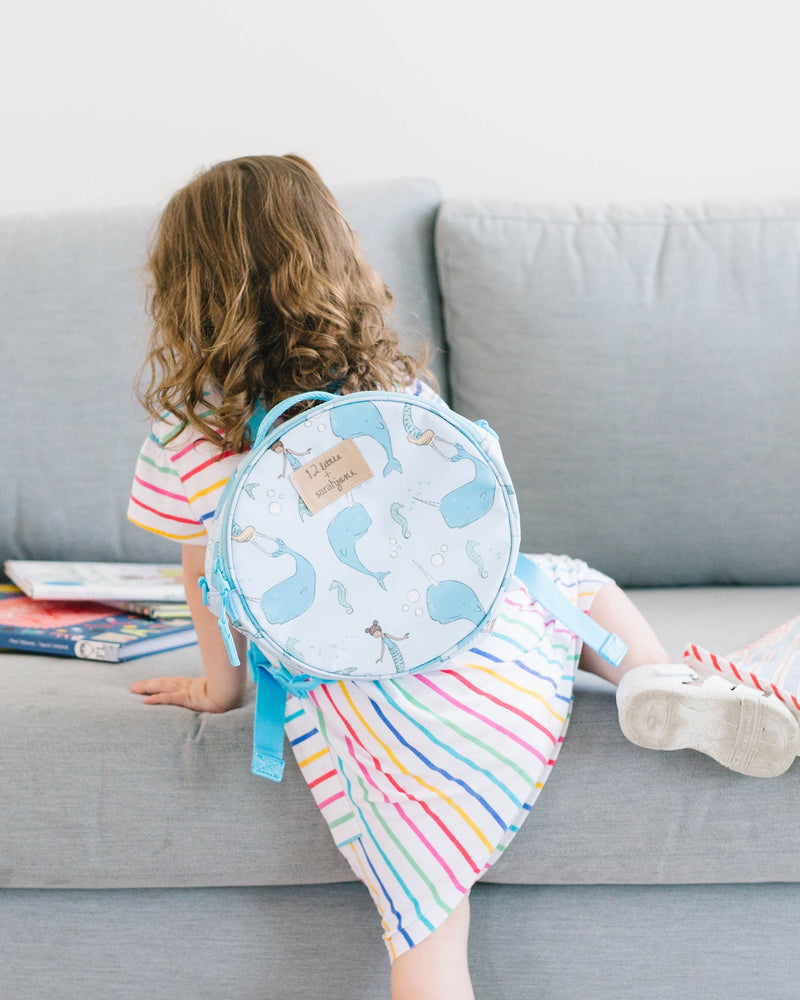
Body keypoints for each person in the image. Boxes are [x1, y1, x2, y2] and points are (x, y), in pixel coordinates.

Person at [127, 154, 800, 1000]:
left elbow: (203, 582)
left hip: (366, 698)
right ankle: (652, 677)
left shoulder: (186, 438)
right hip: (484, 640)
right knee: (573, 586)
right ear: (331, 256)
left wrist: (222, 691)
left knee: (425, 914)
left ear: (185, 291)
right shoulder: (393, 386)